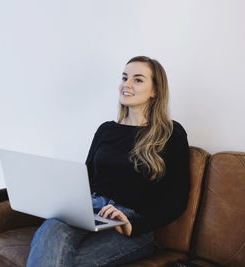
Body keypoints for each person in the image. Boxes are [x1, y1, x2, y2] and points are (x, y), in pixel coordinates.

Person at [26, 56, 190, 267]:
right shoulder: (106, 130)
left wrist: (135, 223)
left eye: (138, 80)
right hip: (89, 211)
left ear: (155, 91)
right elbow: (85, 180)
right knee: (49, 231)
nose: (127, 84)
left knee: (64, 261)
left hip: (129, 224)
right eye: (124, 77)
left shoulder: (171, 134)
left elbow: (176, 200)